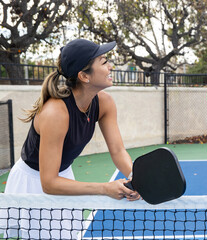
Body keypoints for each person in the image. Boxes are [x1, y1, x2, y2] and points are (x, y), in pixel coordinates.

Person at [1, 39, 140, 239]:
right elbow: (48, 183)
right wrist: (104, 188)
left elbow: (118, 151)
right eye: (103, 62)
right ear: (84, 76)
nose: (110, 66)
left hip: (63, 175)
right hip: (34, 182)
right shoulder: (55, 114)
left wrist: (136, 177)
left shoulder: (105, 103)